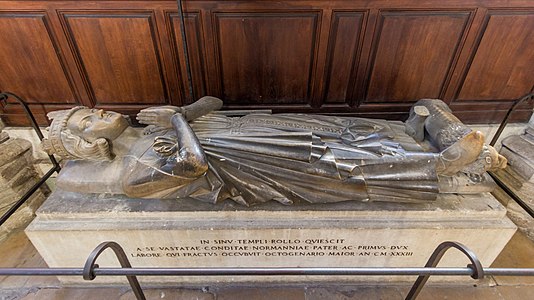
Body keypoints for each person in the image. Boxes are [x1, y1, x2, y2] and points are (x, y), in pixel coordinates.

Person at [41, 97, 506, 205]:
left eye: (91, 108)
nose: (99, 113)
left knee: (335, 129)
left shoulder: (148, 122)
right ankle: (437, 167)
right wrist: (179, 122)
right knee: (335, 163)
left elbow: (214, 105)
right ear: (89, 143)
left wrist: (183, 108)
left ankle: (412, 133)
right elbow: (192, 163)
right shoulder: (130, 175)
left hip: (254, 132)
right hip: (253, 166)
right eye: (89, 120)